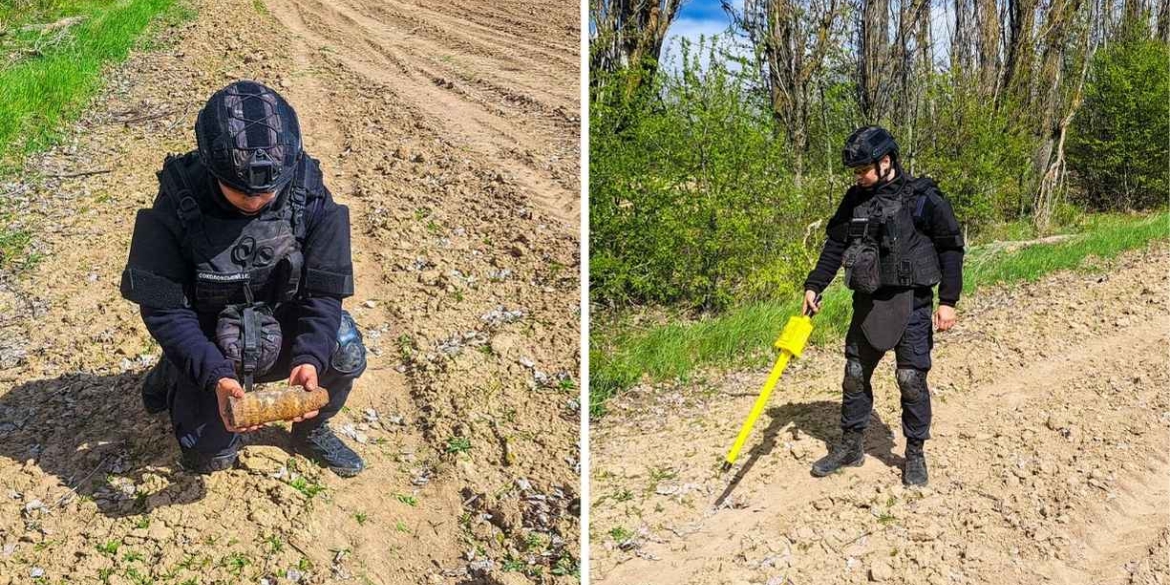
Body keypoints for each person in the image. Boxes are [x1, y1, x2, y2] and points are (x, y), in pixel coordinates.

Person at [120, 80, 367, 477]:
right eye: (239, 192)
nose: (254, 202)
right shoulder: (177, 199)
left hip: (279, 319)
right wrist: (214, 374)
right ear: (210, 167)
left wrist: (310, 358)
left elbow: (324, 294)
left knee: (344, 347)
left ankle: (310, 431)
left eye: (267, 193)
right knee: (209, 459)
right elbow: (163, 309)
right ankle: (176, 367)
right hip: (209, 334)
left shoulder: (309, 191)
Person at [802, 126, 964, 487]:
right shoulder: (855, 200)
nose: (858, 177)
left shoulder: (923, 198)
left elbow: (951, 248)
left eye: (863, 170)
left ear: (886, 161)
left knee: (910, 379)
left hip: (913, 304)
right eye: (855, 171)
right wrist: (814, 285)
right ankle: (851, 446)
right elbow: (835, 246)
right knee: (855, 374)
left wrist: (948, 301)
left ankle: (915, 452)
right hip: (869, 301)